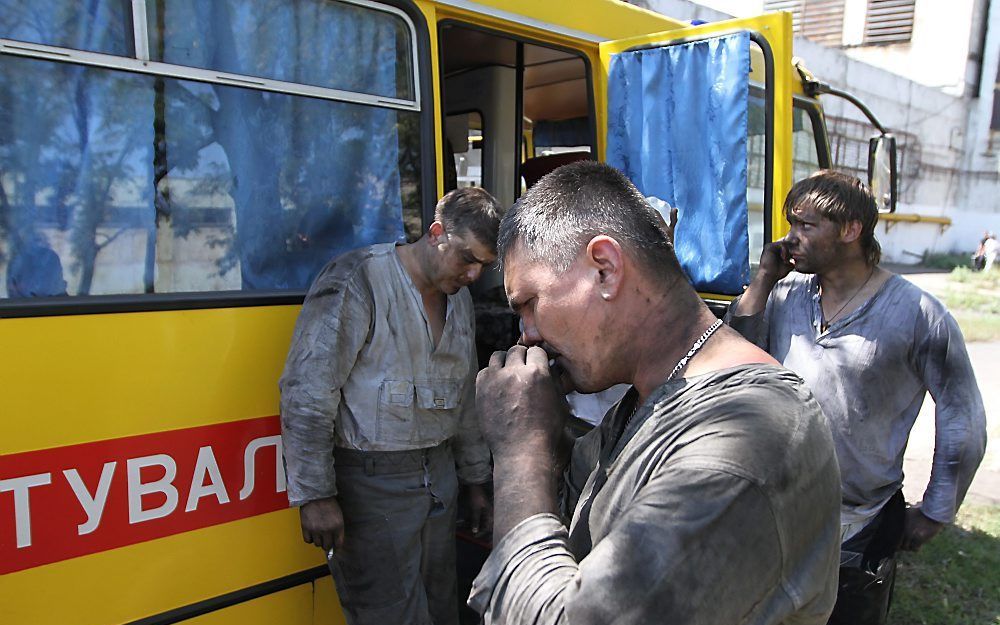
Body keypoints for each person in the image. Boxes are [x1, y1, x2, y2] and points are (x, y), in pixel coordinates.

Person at [470, 161, 842, 624]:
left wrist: (519, 449)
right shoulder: (651, 394)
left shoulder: (741, 447)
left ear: (604, 269)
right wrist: (542, 426)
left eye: (529, 303)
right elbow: (587, 489)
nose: (526, 334)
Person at [726, 170, 988, 625]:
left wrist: (937, 510)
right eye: (792, 225)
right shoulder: (786, 293)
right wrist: (763, 281)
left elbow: (962, 416)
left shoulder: (919, 314)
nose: (792, 238)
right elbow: (732, 357)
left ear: (851, 230)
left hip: (859, 526)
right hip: (774, 510)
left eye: (806, 226)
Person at [279, 187, 503, 625]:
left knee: (441, 608)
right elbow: (307, 391)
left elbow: (464, 398)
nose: (474, 275)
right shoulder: (357, 280)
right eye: (467, 258)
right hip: (371, 482)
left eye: (484, 265)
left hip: (438, 479)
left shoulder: (459, 301)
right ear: (437, 233)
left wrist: (476, 479)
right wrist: (316, 495)